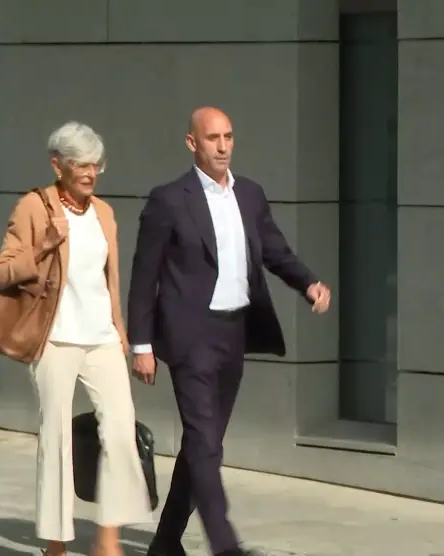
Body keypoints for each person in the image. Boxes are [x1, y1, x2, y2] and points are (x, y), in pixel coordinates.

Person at [127, 107, 331, 556]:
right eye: (213, 138)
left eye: (228, 137)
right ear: (192, 143)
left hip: (233, 334)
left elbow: (275, 251)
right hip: (190, 337)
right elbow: (144, 277)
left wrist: (308, 283)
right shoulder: (169, 200)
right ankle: (225, 546)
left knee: (204, 444)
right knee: (205, 444)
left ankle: (165, 543)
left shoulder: (250, 195)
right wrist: (140, 344)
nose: (222, 147)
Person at [0, 122, 153, 556]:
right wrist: (44, 244)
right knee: (57, 437)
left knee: (120, 433)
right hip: (55, 339)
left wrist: (121, 330)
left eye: (95, 165)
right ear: (57, 165)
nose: (90, 173)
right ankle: (56, 544)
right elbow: (2, 270)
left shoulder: (104, 213)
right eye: (81, 164)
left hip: (101, 336)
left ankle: (108, 540)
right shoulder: (34, 207)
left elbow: (108, 279)